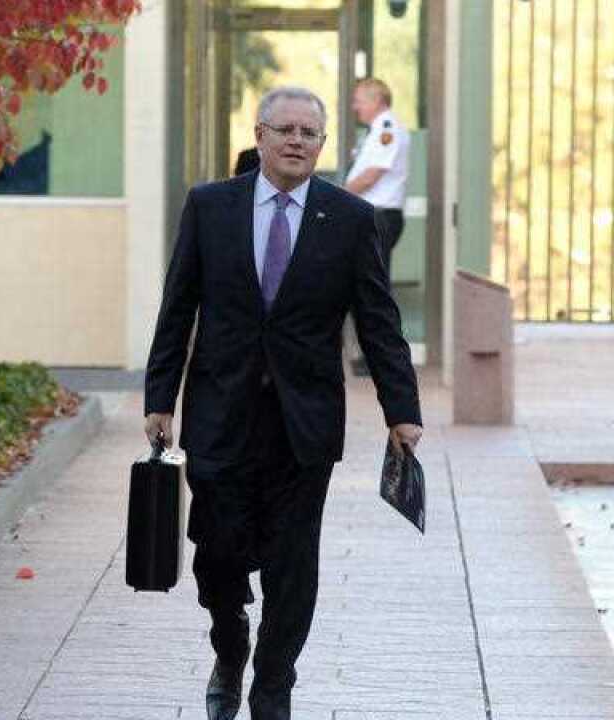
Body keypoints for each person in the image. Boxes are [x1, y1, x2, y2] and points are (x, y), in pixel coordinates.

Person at [144, 86, 423, 720]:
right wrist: (160, 397)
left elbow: (379, 322)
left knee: (292, 565)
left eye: (309, 133)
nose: (297, 140)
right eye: (285, 129)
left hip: (304, 424)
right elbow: (177, 306)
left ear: (322, 145)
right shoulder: (210, 206)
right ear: (260, 135)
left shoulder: (349, 218)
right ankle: (230, 645)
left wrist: (401, 410)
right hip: (221, 414)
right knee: (218, 554)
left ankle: (273, 687)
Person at [344, 77, 410, 376]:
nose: (355, 107)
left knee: (374, 290)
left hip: (379, 218)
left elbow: (372, 176)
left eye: (359, 100)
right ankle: (370, 356)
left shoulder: (387, 129)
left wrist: (336, 196)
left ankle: (382, 359)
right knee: (366, 286)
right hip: (371, 216)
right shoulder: (375, 131)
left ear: (377, 101)